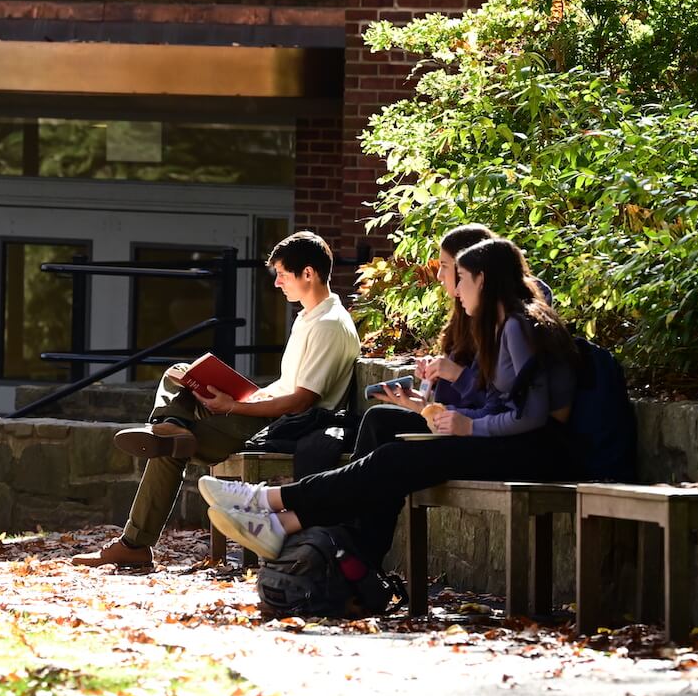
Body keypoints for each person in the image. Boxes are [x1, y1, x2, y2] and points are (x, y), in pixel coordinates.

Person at [200, 236, 576, 570]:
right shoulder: (501, 325)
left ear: (483, 279)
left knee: (393, 460)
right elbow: (500, 405)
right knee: (387, 440)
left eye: (459, 277)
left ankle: (271, 505)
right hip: (511, 441)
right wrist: (451, 415)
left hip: (536, 450)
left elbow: (532, 416)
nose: (455, 289)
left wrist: (468, 424)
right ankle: (290, 525)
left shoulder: (516, 325)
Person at [70, 230, 361, 570]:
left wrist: (233, 406)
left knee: (170, 448)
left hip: (288, 428)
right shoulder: (308, 318)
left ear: (307, 273)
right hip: (270, 415)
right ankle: (170, 427)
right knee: (179, 374)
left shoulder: (328, 324)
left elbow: (300, 402)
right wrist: (241, 393)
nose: (278, 283)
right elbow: (287, 386)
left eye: (282, 274)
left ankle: (135, 540)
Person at [352, 223, 494, 457]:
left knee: (384, 436)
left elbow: (491, 403)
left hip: (472, 431)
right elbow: (446, 405)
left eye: (445, 267)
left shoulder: (496, 324)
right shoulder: (461, 319)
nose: (439, 276)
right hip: (448, 422)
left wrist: (455, 374)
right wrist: (422, 399)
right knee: (379, 420)